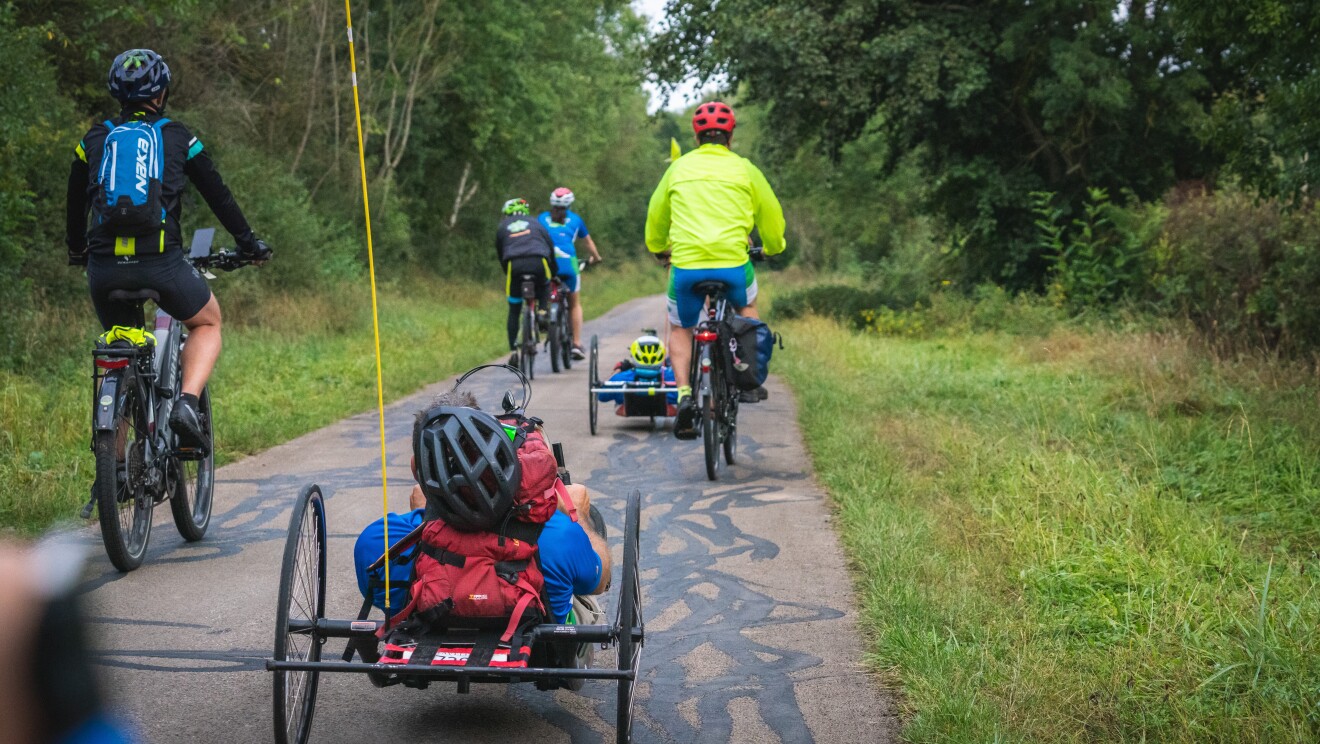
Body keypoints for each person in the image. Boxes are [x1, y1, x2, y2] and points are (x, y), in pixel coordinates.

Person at [66, 49, 270, 451]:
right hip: (162, 265)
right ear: (161, 93)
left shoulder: (93, 138)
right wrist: (249, 244)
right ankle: (187, 405)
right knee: (208, 322)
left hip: (105, 270)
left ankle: (115, 463)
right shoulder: (179, 137)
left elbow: (75, 205)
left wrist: (78, 251)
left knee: (120, 344)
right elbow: (219, 196)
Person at [353, 390, 610, 627]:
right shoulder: (560, 535)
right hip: (537, 644)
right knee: (586, 599)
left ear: (416, 470)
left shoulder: (376, 543)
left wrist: (425, 517)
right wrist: (580, 516)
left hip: (429, 623)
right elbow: (599, 582)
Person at [644, 101, 786, 439]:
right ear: (730, 137)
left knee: (681, 327)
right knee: (747, 309)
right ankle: (747, 378)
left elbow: (656, 216)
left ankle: (682, 397)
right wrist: (773, 248)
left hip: (687, 267)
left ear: (696, 137)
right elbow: (771, 214)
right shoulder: (745, 169)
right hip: (734, 265)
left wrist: (658, 246)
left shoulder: (677, 169)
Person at [537, 187, 603, 359]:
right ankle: (576, 343)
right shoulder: (575, 220)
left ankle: (542, 314)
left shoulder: (542, 218)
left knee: (545, 291)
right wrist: (596, 258)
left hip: (546, 265)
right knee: (574, 304)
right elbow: (588, 242)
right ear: (570, 203)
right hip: (568, 266)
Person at [495, 197, 556, 367]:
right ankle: (543, 311)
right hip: (538, 261)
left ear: (507, 213)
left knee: (514, 309)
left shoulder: (502, 227)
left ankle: (514, 350)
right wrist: (554, 270)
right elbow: (549, 247)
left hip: (514, 265)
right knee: (544, 285)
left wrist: (508, 272)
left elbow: (501, 255)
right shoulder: (536, 223)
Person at [597, 333, 678, 416]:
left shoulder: (621, 377)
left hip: (627, 408)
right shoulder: (674, 377)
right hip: (667, 408)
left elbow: (602, 396)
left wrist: (618, 370)